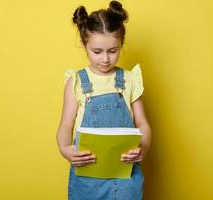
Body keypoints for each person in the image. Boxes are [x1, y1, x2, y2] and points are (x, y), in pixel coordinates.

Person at [56, 1, 151, 199]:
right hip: (87, 178)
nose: (105, 59)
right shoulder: (77, 82)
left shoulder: (129, 80)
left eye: (113, 51)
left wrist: (144, 146)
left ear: (121, 44)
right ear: (84, 45)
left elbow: (142, 122)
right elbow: (66, 125)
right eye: (97, 52)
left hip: (125, 176)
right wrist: (66, 149)